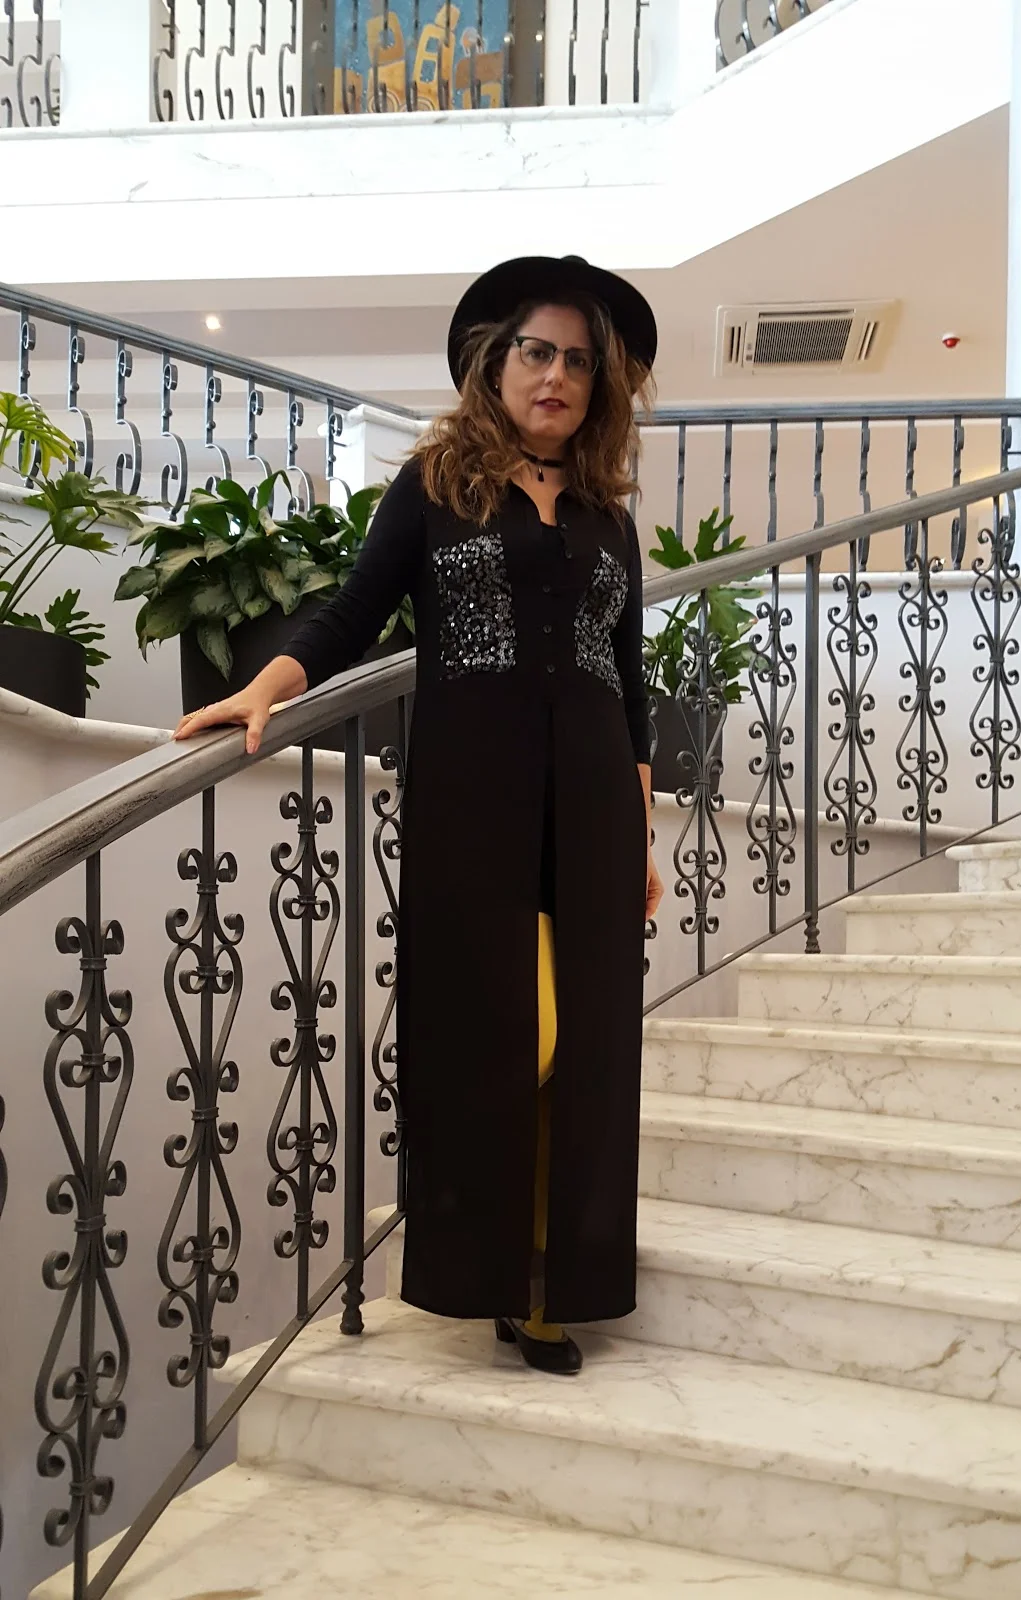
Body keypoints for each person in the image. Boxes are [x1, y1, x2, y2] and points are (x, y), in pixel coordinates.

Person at [175, 254, 664, 1376]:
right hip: (475, 806)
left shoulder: (607, 517)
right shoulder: (437, 487)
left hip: (595, 810)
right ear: (496, 362)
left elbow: (629, 689)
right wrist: (267, 685)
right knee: (511, 1037)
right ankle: (487, 1267)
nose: (556, 375)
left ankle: (548, 1288)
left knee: (586, 1054)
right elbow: (352, 611)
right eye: (536, 352)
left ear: (599, 384)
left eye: (578, 360)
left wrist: (642, 833)